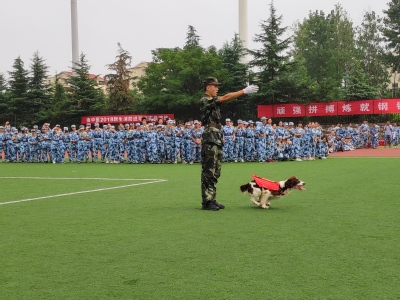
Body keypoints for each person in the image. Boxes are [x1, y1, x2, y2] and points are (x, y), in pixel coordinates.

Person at [200, 77, 258, 211]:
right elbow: (225, 98)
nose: (217, 88)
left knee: (215, 171)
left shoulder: (212, 102)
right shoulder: (205, 100)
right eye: (215, 86)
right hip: (210, 138)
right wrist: (243, 91)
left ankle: (212, 199)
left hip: (216, 137)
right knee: (208, 171)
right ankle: (207, 201)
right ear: (208, 87)